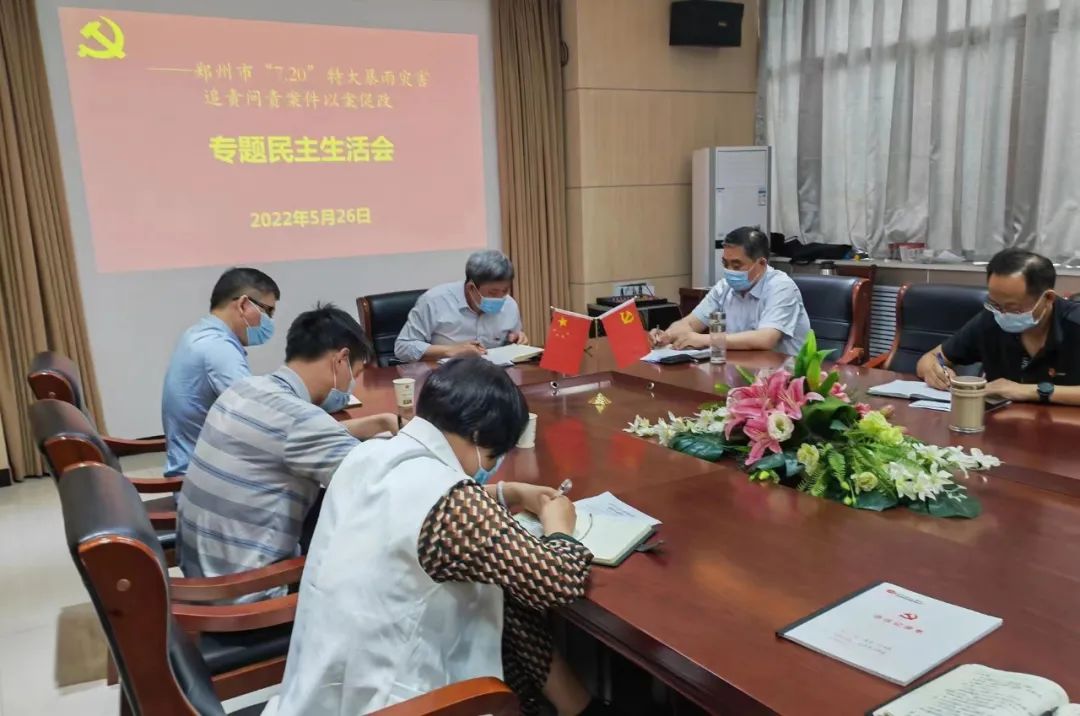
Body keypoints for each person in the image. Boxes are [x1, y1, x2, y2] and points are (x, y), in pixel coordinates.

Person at [264, 357, 610, 716]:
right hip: (398, 702)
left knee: (502, 595)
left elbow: (416, 497)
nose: (490, 468)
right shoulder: (453, 504)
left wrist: (509, 492)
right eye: (492, 456)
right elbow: (557, 583)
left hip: (323, 683)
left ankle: (574, 705)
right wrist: (559, 526)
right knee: (507, 593)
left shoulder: (369, 454)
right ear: (478, 436)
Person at [176, 304, 398, 599]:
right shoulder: (302, 422)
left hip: (202, 574)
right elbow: (379, 483)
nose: (351, 386)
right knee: (381, 532)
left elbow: (286, 436)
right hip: (248, 595)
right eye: (355, 374)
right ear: (341, 360)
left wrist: (376, 423)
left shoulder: (246, 389)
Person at [916, 248, 1080, 405]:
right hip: (1003, 420)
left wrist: (1027, 391)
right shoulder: (991, 320)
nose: (1002, 314)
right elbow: (930, 358)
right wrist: (934, 371)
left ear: (1048, 298)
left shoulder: (1074, 322)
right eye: (995, 304)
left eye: (1013, 308)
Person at [162, 267, 281, 477]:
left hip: (201, 468)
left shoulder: (198, 334)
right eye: (268, 312)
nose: (269, 322)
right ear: (243, 304)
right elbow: (257, 419)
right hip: (208, 481)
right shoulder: (218, 348)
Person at [651, 227, 811, 356]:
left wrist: (707, 339)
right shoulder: (724, 287)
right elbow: (691, 323)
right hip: (740, 369)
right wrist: (667, 335)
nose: (729, 271)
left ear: (761, 264)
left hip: (783, 375)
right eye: (725, 264)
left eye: (736, 265)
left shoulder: (781, 287)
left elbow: (765, 339)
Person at [394, 249, 529, 362]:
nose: (500, 298)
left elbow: (510, 344)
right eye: (492, 293)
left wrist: (516, 341)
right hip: (444, 376)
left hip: (494, 376)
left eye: (505, 291)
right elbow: (403, 347)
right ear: (471, 288)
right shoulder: (434, 301)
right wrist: (451, 351)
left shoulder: (509, 305)